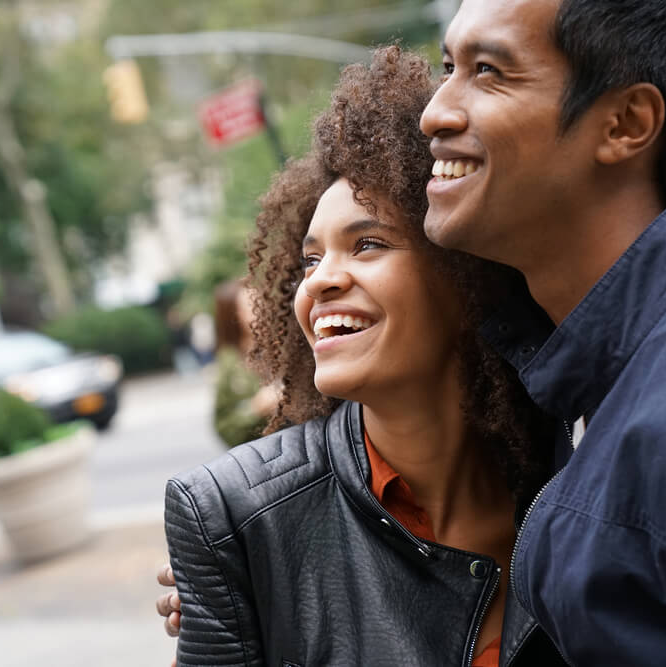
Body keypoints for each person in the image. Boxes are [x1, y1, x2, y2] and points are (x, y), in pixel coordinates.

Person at [418, 0, 666, 664]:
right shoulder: (563, 368)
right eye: (447, 67)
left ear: (626, 124)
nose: (434, 111)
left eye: (488, 71)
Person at [162, 46, 561, 666]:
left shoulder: (579, 469)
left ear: (467, 274)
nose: (319, 282)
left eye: (368, 243)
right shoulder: (237, 519)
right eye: (311, 259)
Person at [211, 279, 274, 447]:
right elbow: (224, 428)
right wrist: (256, 408)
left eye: (262, 302)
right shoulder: (229, 364)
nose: (261, 311)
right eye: (251, 306)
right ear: (234, 315)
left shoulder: (287, 347)